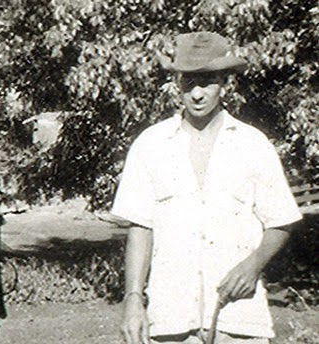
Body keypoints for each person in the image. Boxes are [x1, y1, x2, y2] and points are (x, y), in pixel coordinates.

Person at [112, 32, 302, 344]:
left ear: (225, 83)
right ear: (177, 82)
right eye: (189, 82)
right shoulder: (151, 144)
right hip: (171, 316)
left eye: (208, 81)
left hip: (239, 316)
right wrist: (133, 297)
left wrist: (252, 266)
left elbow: (281, 220)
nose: (197, 93)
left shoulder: (252, 143)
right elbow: (140, 227)